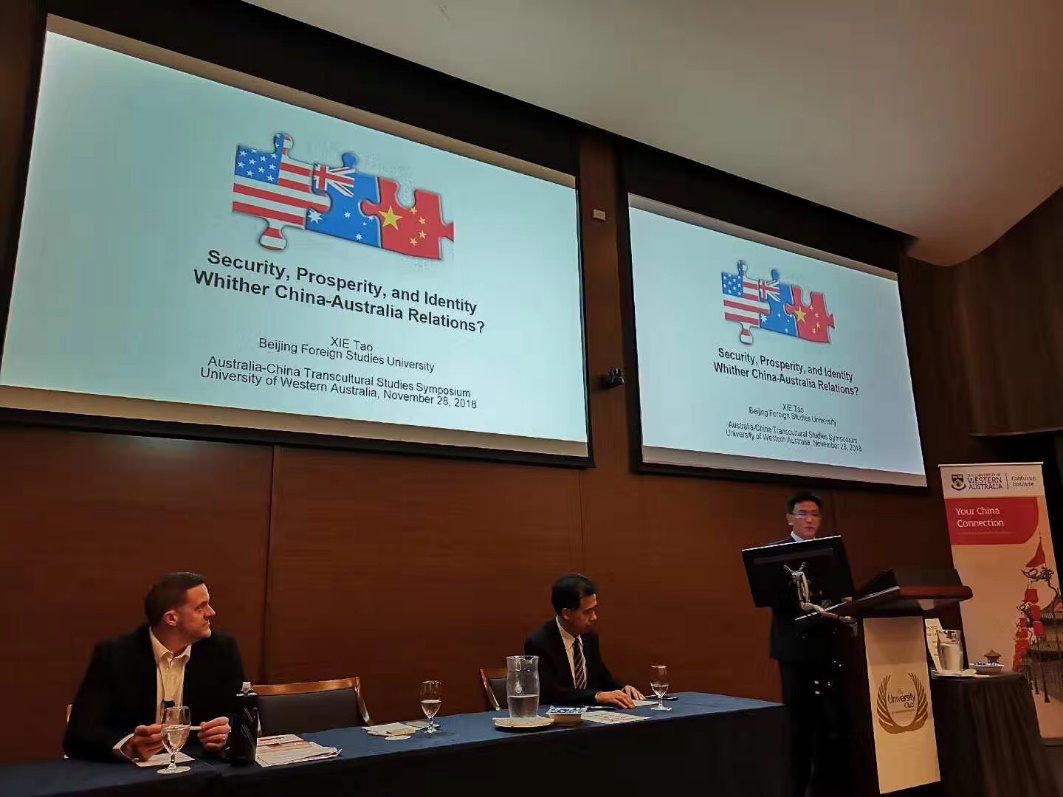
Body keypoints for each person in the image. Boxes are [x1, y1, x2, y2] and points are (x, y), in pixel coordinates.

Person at [63, 572, 245, 762]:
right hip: (131, 772)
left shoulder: (222, 650)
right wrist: (127, 746)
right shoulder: (115, 655)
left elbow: (244, 721)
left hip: (199, 769)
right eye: (200, 607)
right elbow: (77, 737)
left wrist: (225, 735)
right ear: (171, 618)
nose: (211, 612)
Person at [770, 492, 850, 797]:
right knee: (798, 725)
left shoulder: (829, 552)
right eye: (802, 513)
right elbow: (772, 599)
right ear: (789, 518)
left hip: (828, 649)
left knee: (831, 726)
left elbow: (842, 590)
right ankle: (797, 788)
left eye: (815, 514)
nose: (809, 519)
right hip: (795, 651)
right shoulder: (775, 555)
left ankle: (826, 788)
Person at [524, 573, 644, 708]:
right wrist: (596, 696)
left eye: (594, 610)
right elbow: (550, 693)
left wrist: (623, 688)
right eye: (587, 612)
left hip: (590, 715)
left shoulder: (589, 637)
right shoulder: (539, 643)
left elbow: (603, 679)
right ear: (567, 614)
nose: (594, 617)